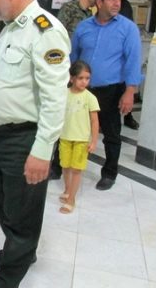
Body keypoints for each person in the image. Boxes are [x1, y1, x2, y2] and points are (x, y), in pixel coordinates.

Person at [0, 0, 70, 288]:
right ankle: (20, 251)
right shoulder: (12, 29)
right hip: (1, 136)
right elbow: (4, 80)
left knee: (23, 213)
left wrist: (42, 151)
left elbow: (55, 98)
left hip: (25, 139)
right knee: (3, 203)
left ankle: (9, 275)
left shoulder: (45, 30)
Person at [71, 0, 142, 191]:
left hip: (111, 90)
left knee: (111, 133)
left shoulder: (128, 28)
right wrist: (69, 81)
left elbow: (133, 61)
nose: (117, 3)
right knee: (72, 127)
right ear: (99, 2)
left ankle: (109, 173)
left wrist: (130, 91)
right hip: (82, 88)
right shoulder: (84, 27)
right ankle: (60, 167)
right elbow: (73, 56)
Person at [50, 0, 98, 181]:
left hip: (81, 68)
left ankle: (71, 162)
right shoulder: (69, 8)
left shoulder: (91, 15)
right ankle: (56, 165)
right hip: (66, 67)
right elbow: (57, 34)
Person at [58, 60, 100, 214]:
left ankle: (71, 199)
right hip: (65, 137)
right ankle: (67, 189)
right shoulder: (64, 94)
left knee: (76, 169)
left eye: (87, 78)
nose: (84, 82)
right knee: (65, 165)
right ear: (71, 78)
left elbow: (94, 121)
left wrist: (93, 141)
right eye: (81, 78)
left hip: (81, 140)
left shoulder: (90, 98)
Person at [110, 0, 140, 130]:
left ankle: (128, 116)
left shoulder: (126, 5)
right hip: (110, 57)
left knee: (125, 91)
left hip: (123, 56)